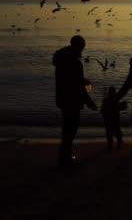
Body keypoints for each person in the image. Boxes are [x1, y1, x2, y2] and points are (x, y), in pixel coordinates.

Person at [52, 35, 97, 167]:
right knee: (70, 130)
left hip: (62, 98)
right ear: (78, 47)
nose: (82, 51)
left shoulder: (61, 60)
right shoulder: (75, 63)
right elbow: (78, 87)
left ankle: (64, 157)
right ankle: (65, 160)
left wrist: (82, 81)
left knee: (67, 130)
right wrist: (90, 103)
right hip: (72, 100)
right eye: (82, 47)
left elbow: (68, 79)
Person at [101, 86, 127, 151]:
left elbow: (102, 109)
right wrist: (124, 105)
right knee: (114, 132)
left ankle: (113, 144)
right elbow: (120, 108)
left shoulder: (109, 100)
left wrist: (124, 105)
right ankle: (114, 144)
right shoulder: (113, 100)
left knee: (112, 132)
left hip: (111, 118)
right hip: (112, 118)